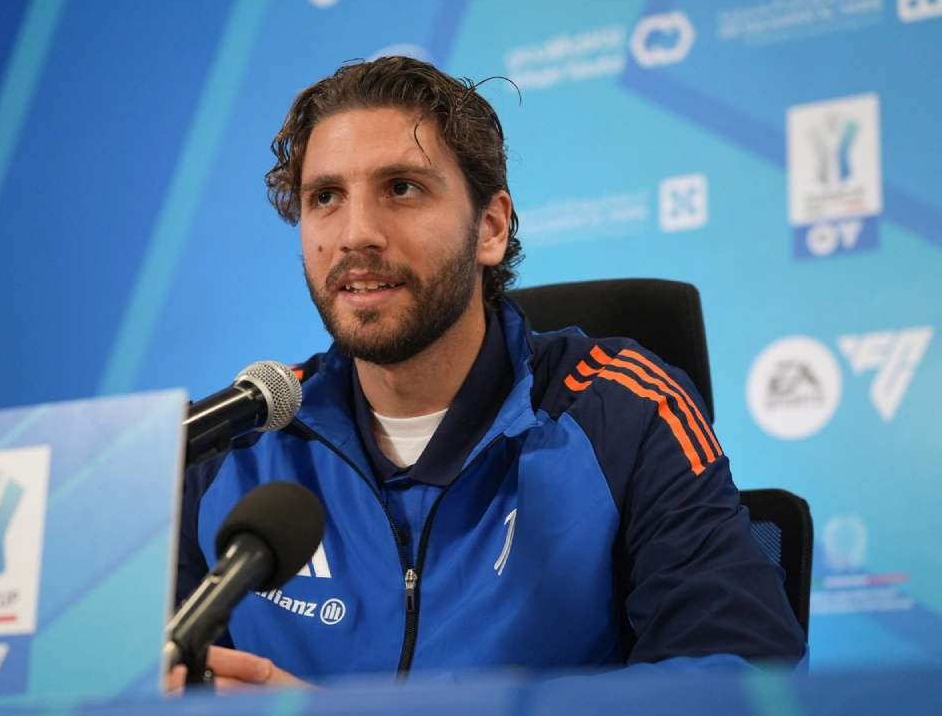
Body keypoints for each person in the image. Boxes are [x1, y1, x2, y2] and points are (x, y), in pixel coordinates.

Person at [172, 57, 806, 689]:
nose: (355, 234)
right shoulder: (231, 446)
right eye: (326, 198)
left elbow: (742, 680)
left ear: (491, 228)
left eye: (401, 188)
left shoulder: (624, 411)